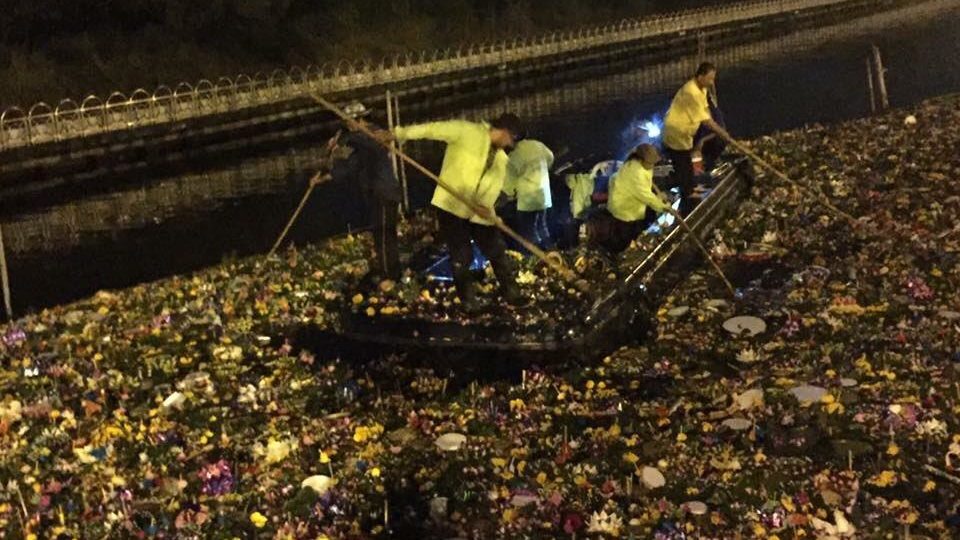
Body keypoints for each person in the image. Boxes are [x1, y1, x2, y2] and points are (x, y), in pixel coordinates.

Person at [393, 113, 524, 312]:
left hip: (480, 212)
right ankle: (468, 301)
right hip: (451, 205)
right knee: (462, 254)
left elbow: (492, 189)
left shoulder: (500, 160)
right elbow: (431, 129)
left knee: (496, 249)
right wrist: (398, 134)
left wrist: (486, 209)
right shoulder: (466, 132)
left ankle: (511, 293)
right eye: (512, 140)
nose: (511, 146)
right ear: (505, 131)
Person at [318, 102, 402, 283]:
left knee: (385, 234)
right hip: (373, 193)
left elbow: (364, 143)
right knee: (379, 234)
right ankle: (387, 270)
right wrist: (325, 177)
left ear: (360, 119)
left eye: (350, 122)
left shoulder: (374, 134)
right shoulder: (359, 142)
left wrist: (340, 141)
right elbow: (351, 165)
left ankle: (391, 275)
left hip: (385, 192)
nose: (348, 126)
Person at [662, 62, 732, 216]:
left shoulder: (702, 89)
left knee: (687, 165)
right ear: (700, 76)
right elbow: (707, 120)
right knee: (684, 168)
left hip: (687, 133)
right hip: (677, 134)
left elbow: (706, 110)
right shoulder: (691, 92)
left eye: (713, 78)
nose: (712, 82)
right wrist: (723, 134)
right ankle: (687, 204)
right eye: (709, 78)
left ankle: (691, 191)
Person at [591, 144, 675, 254]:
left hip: (627, 206)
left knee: (626, 235)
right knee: (623, 239)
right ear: (642, 160)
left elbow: (646, 189)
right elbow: (645, 195)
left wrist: (658, 197)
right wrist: (664, 207)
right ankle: (618, 257)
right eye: (651, 163)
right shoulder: (636, 173)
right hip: (625, 210)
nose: (653, 165)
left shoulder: (637, 164)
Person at [503, 138, 555, 251]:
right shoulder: (539, 145)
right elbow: (550, 157)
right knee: (543, 227)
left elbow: (508, 181)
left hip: (527, 199)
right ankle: (553, 253)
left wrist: (509, 193)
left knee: (528, 231)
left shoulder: (515, 155)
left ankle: (534, 258)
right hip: (543, 195)